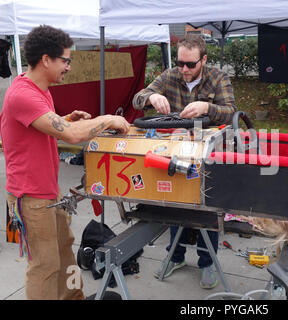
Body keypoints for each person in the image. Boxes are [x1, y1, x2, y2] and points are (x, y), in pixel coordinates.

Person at [0, 25, 131, 300]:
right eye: (65, 60)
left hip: (47, 192)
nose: (69, 67)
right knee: (45, 266)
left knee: (65, 254)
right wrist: (108, 119)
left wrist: (67, 119)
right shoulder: (23, 93)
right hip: (31, 196)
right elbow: (70, 135)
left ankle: (74, 298)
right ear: (46, 59)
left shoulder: (39, 89)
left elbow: (45, 127)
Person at [132, 34, 236, 289]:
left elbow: (231, 111)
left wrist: (207, 107)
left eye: (191, 64)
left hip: (207, 153)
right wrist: (149, 97)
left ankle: (207, 261)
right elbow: (137, 99)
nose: (184, 70)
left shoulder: (217, 78)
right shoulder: (170, 75)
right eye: (180, 63)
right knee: (174, 202)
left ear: (204, 59)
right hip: (176, 150)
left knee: (206, 205)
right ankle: (175, 255)